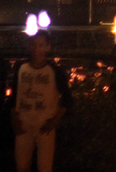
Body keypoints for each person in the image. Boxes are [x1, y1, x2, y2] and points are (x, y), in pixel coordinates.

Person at [10, 31, 73, 172]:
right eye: (34, 45)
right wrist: (14, 120)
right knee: (21, 166)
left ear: (47, 47)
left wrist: (53, 121)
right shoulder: (21, 68)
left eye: (41, 45)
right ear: (29, 46)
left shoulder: (54, 71)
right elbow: (15, 96)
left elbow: (67, 99)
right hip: (24, 124)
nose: (36, 49)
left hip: (44, 126)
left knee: (44, 167)